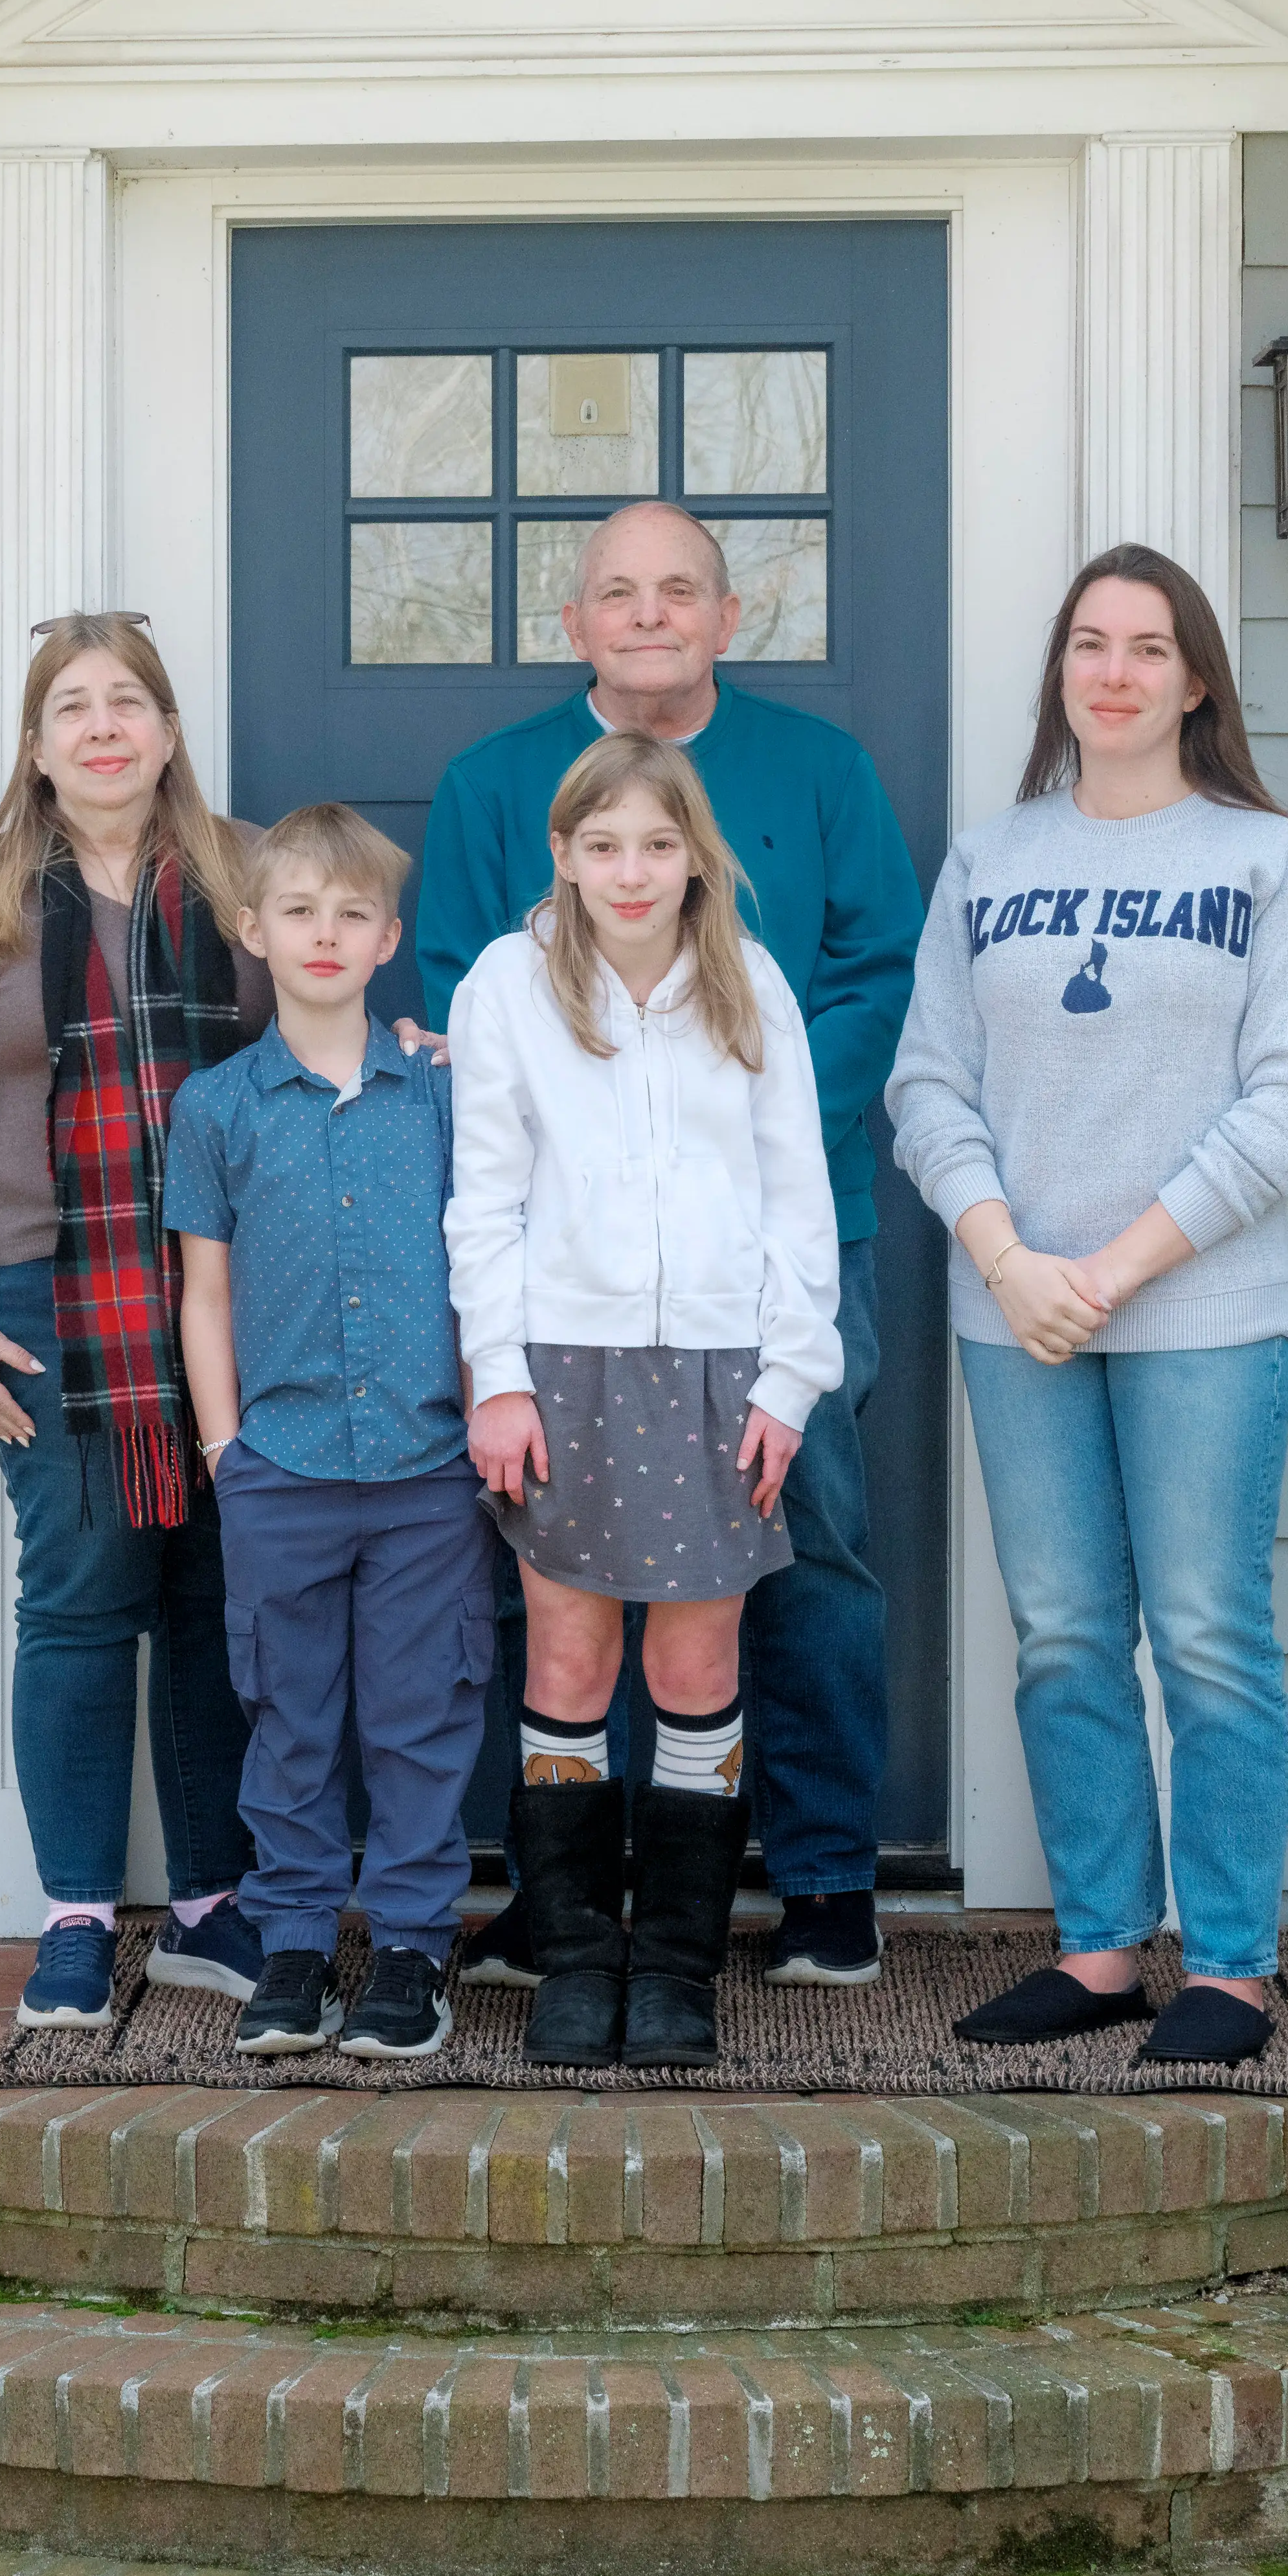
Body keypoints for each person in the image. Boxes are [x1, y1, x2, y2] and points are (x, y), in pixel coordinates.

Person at [417, 501, 921, 1987]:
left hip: (783, 1234)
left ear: (726, 613)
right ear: (574, 621)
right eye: (617, 593)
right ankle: (570, 1900)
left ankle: (824, 1874)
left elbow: (876, 975)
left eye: (678, 590)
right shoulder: (492, 783)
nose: (648, 614)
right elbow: (456, 1000)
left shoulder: (822, 773)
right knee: (563, 1558)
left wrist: (736, 1109)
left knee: (806, 1539)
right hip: (570, 1269)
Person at [884, 543, 1288, 2070]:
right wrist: (1007, 1253)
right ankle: (1098, 1949)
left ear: (1195, 679)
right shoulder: (989, 860)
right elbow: (925, 1083)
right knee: (1064, 1635)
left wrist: (1120, 1263)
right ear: (1062, 674)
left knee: (1209, 1635)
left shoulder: (1263, 863)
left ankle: (1226, 1968)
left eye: (1147, 647)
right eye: (1089, 642)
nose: (1114, 671)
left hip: (1201, 1311)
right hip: (1015, 1309)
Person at [0, 614, 264, 2031]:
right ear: (39, 749)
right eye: (72, 708)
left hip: (234, 1292)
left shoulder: (246, 873)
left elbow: (320, 1058)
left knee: (221, 1600)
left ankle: (219, 1905)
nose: (103, 727)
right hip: (54, 1297)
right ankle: (75, 1920)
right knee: (82, 1601)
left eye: (128, 703)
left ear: (166, 730)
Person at [445, 733, 844, 2062]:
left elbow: (799, 1197)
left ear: (694, 858)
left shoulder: (747, 985)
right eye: (601, 845)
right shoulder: (511, 983)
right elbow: (484, 1196)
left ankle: (673, 1959)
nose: (630, 872)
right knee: (568, 1656)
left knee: (694, 1660)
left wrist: (789, 1377)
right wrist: (495, 1379)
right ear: (560, 854)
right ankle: (570, 1951)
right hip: (562, 1360)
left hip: (722, 1366)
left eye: (657, 846)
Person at [166, 805, 491, 2066]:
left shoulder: (442, 1096)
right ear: (253, 929)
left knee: (419, 1711)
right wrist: (222, 1454)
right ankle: (295, 1937)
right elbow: (202, 1290)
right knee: (290, 1712)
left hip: (425, 1469)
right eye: (297, 910)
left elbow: (488, 1262)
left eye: (351, 913)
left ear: (387, 938)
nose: (323, 932)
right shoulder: (217, 1107)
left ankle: (410, 1945)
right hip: (280, 1470)